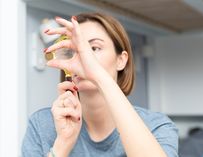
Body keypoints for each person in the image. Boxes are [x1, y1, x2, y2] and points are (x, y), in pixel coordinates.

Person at [22, 12, 178, 157]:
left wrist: (100, 77)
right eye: (73, 50)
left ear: (121, 60)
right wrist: (62, 145)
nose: (82, 58)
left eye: (94, 48)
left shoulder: (156, 126)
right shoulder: (41, 125)